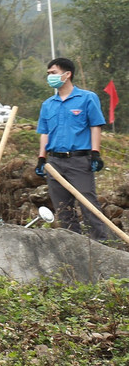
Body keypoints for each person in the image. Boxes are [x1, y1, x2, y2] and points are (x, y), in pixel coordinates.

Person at [37, 57, 109, 240]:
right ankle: (73, 245)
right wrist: (41, 158)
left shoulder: (87, 98)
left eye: (53, 73)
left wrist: (95, 153)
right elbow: (44, 133)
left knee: (88, 204)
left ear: (67, 74)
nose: (50, 77)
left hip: (78, 160)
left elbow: (95, 126)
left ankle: (102, 245)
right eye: (48, 74)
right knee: (63, 208)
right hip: (54, 162)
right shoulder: (48, 104)